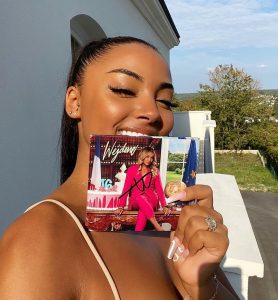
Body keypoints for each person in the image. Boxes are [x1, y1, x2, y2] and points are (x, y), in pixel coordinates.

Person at [0, 36, 239, 299]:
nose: (153, 113)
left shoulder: (175, 221)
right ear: (74, 102)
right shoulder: (38, 240)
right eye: (124, 90)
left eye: (166, 101)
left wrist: (202, 288)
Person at [115, 146, 170, 231]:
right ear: (142, 156)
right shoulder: (131, 170)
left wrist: (164, 206)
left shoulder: (155, 171)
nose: (149, 160)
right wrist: (120, 206)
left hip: (151, 199)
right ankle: (158, 226)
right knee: (140, 198)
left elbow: (159, 189)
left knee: (142, 213)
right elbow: (126, 189)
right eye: (147, 157)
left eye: (151, 157)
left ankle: (137, 237)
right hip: (136, 200)